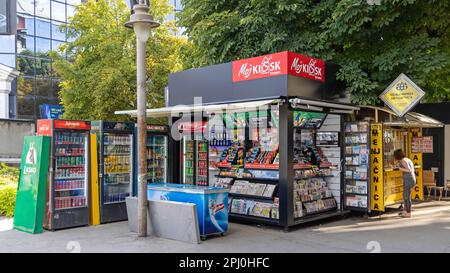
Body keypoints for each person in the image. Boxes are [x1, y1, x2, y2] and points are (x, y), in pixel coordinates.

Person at [394, 149, 416, 218]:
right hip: (411, 179)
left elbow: (408, 170)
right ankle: (405, 210)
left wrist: (399, 168)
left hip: (408, 179)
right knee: (406, 195)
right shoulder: (407, 159)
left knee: (406, 196)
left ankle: (408, 213)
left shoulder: (403, 161)